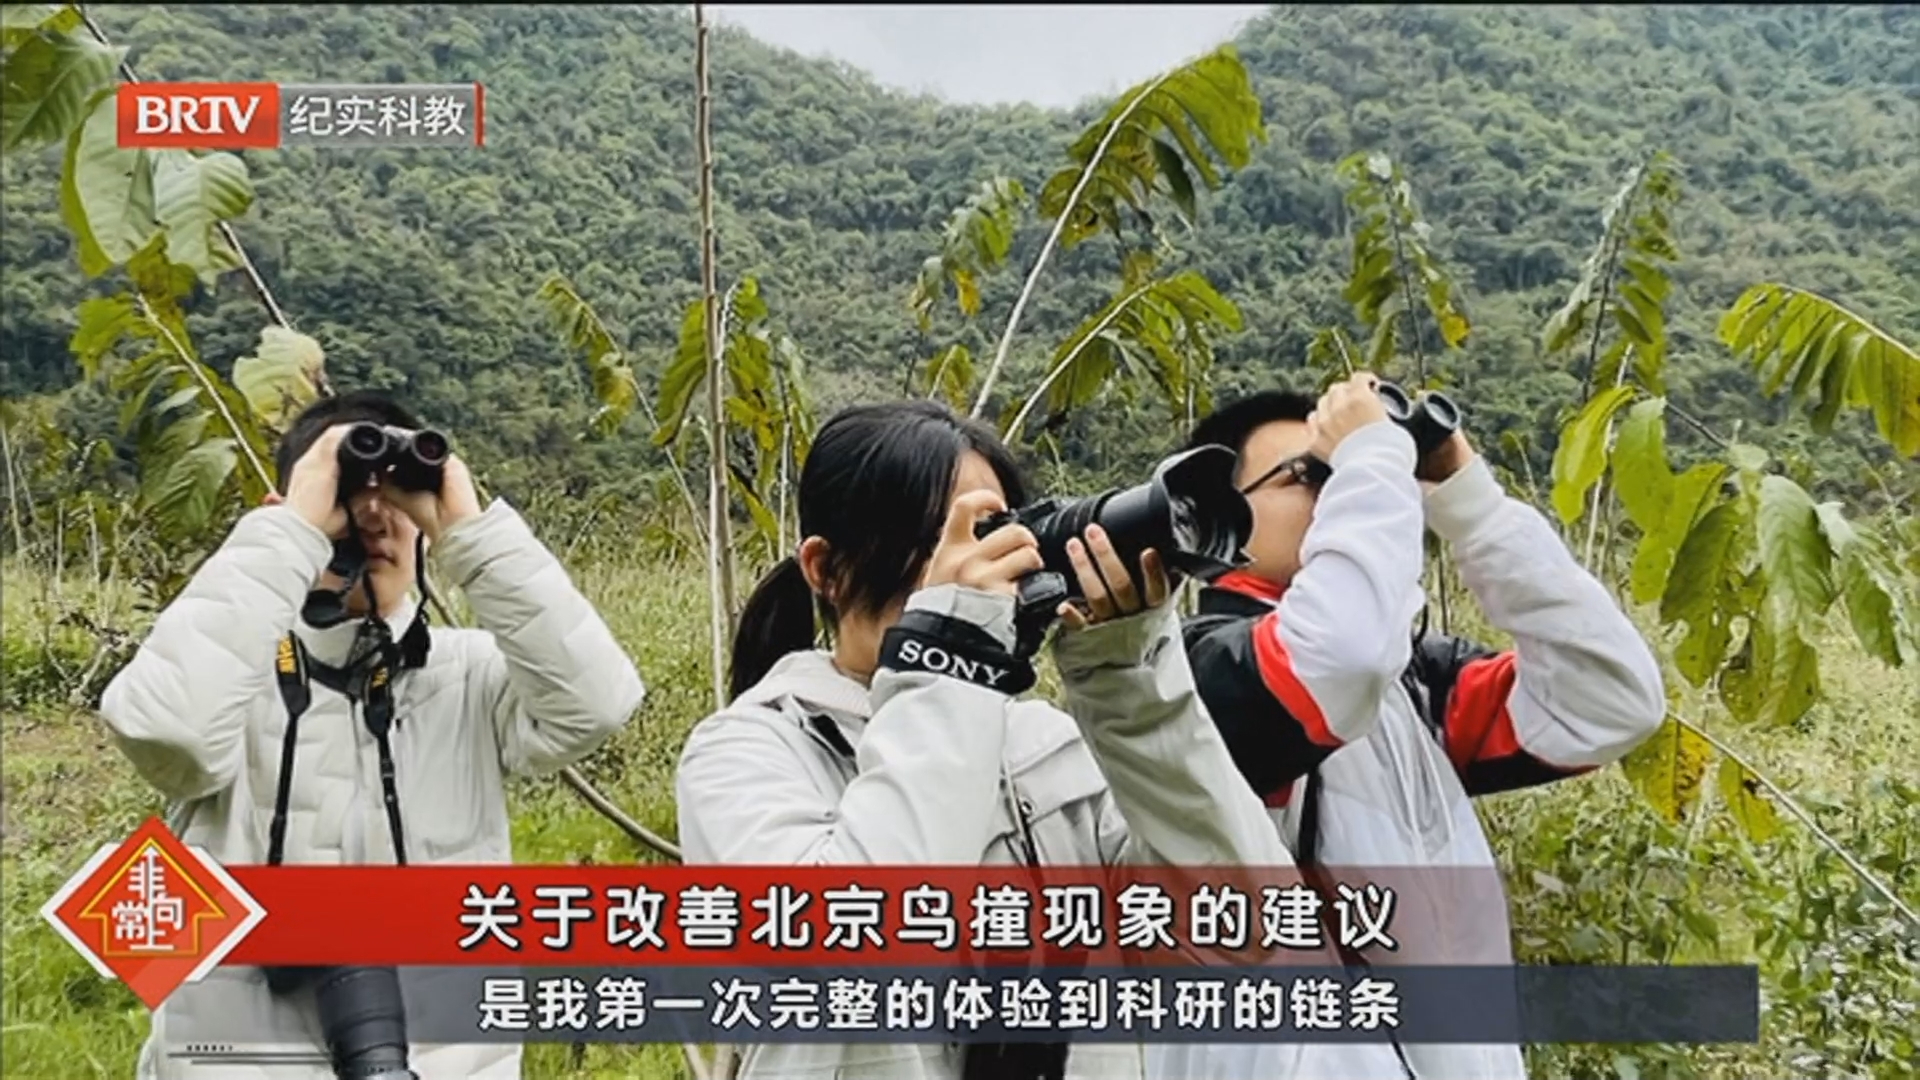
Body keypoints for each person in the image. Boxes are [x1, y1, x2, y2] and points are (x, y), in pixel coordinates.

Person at [675, 399, 1314, 1080]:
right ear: (825, 569)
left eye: (996, 533)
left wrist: (1126, 677)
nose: (977, 564)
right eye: (943, 536)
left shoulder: (1043, 744)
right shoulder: (746, 752)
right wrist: (947, 652)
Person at [98, 390, 647, 1080]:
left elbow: (597, 703)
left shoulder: (469, 675)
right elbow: (162, 730)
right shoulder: (233, 679)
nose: (372, 515)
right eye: (345, 491)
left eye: (397, 497)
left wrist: (467, 528)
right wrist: (292, 532)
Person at [1175, 372, 1667, 1079]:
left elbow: (1611, 699)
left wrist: (1467, 497)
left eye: (1337, 471)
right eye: (1307, 475)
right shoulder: (1196, 674)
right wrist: (1371, 454)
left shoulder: (1413, 688)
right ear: (1212, 522)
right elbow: (1335, 655)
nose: (1336, 487)